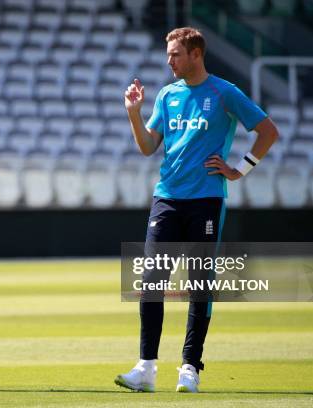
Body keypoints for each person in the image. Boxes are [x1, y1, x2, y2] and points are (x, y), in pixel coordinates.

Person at [114, 27, 278, 393]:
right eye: (168, 53)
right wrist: (133, 114)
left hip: (206, 199)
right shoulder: (168, 95)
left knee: (199, 284)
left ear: (196, 54)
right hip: (167, 197)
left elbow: (268, 131)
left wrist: (240, 169)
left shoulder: (224, 92)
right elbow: (147, 147)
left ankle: (190, 367)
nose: (169, 60)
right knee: (151, 282)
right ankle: (146, 368)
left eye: (175, 53)